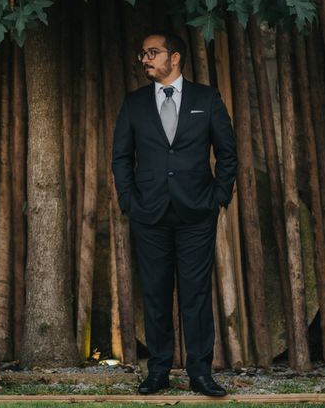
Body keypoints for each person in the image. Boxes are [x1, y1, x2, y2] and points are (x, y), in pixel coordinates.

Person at [112, 33, 237, 397]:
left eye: (153, 53)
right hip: (148, 214)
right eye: (143, 54)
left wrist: (218, 197)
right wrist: (128, 201)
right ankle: (159, 371)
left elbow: (227, 153)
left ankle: (200, 374)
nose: (145, 59)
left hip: (197, 212)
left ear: (176, 57)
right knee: (154, 292)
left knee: (196, 294)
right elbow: (121, 157)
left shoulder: (206, 98)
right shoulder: (134, 103)